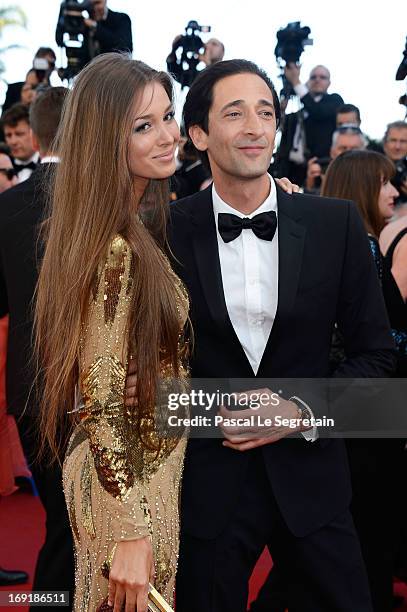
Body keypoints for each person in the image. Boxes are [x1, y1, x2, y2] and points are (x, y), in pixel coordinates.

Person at [126, 58, 395, 612]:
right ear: (197, 134)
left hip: (316, 484)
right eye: (234, 113)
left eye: (265, 112)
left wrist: (298, 411)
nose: (254, 126)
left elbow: (378, 360)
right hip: (209, 488)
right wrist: (214, 411)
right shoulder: (160, 234)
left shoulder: (334, 224)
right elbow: (139, 388)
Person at [34, 53, 189, 612]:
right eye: (144, 126)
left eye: (169, 117)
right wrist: (129, 528)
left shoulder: (125, 228)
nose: (169, 135)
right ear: (105, 141)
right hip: (128, 487)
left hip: (143, 474)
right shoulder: (116, 248)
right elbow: (98, 398)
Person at [321, 149, 407, 611]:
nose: (394, 191)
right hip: (373, 410)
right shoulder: (367, 248)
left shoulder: (347, 243)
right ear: (360, 189)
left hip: (357, 407)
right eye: (383, 183)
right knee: (369, 534)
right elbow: (373, 339)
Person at [0, 87, 75, 609]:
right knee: (76, 529)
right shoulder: (109, 200)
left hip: (27, 382)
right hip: (96, 388)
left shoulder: (7, 207)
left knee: (60, 521)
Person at [275, 64, 344, 184]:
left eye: (322, 77)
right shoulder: (299, 113)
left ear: (329, 83)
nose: (317, 80)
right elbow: (280, 128)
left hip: (320, 169)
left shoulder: (334, 100)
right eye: (313, 77)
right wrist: (280, 110)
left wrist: (296, 82)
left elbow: (318, 112)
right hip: (291, 172)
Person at [56, 0, 133, 67]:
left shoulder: (121, 19)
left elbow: (123, 46)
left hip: (115, 71)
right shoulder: (83, 25)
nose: (95, 8)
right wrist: (63, 12)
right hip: (90, 74)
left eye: (98, 3)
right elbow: (59, 39)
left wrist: (95, 26)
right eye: (91, 5)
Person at [305, 125, 367, 192]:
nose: (348, 153)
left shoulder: (375, 173)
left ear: (365, 151)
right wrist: (310, 184)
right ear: (332, 152)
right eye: (343, 148)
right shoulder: (323, 170)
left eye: (354, 149)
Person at [2, 47, 56, 113]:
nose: (47, 67)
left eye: (51, 64)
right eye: (42, 63)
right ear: (35, 62)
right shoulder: (14, 89)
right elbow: (4, 119)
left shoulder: (54, 95)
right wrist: (23, 103)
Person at [0, 104, 39, 182]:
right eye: (8, 135)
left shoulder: (50, 165)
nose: (13, 142)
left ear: (34, 133)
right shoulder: (2, 167)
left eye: (19, 134)